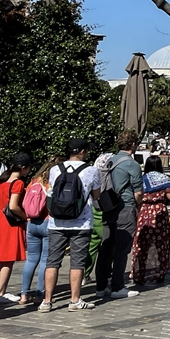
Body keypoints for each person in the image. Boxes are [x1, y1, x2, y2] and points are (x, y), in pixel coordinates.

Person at [43, 138, 103, 312]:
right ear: (82, 151)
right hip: (81, 222)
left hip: (56, 222)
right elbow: (96, 195)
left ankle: (47, 301)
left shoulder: (55, 169)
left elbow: (51, 192)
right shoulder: (90, 170)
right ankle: (75, 300)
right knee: (77, 262)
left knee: (52, 261)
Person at [96, 131, 144, 300]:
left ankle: (101, 286)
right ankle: (117, 286)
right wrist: (138, 205)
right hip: (125, 207)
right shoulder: (132, 164)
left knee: (106, 247)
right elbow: (138, 192)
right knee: (122, 249)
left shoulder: (110, 161)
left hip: (108, 206)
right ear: (133, 144)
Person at [0, 153, 30, 303]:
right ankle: (0, 293)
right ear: (24, 168)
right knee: (8, 259)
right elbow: (13, 206)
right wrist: (26, 217)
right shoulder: (18, 183)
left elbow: (0, 204)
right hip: (11, 222)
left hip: (0, 219)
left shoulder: (2, 181)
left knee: (2, 259)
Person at [130, 155, 170, 288]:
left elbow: (136, 195)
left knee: (141, 244)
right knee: (161, 243)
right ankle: (160, 272)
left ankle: (139, 273)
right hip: (159, 212)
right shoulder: (164, 178)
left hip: (144, 211)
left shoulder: (141, 179)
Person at [19, 157, 57, 305]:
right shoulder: (51, 183)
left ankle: (23, 294)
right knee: (45, 261)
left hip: (31, 223)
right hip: (47, 222)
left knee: (31, 260)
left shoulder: (34, 181)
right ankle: (40, 295)